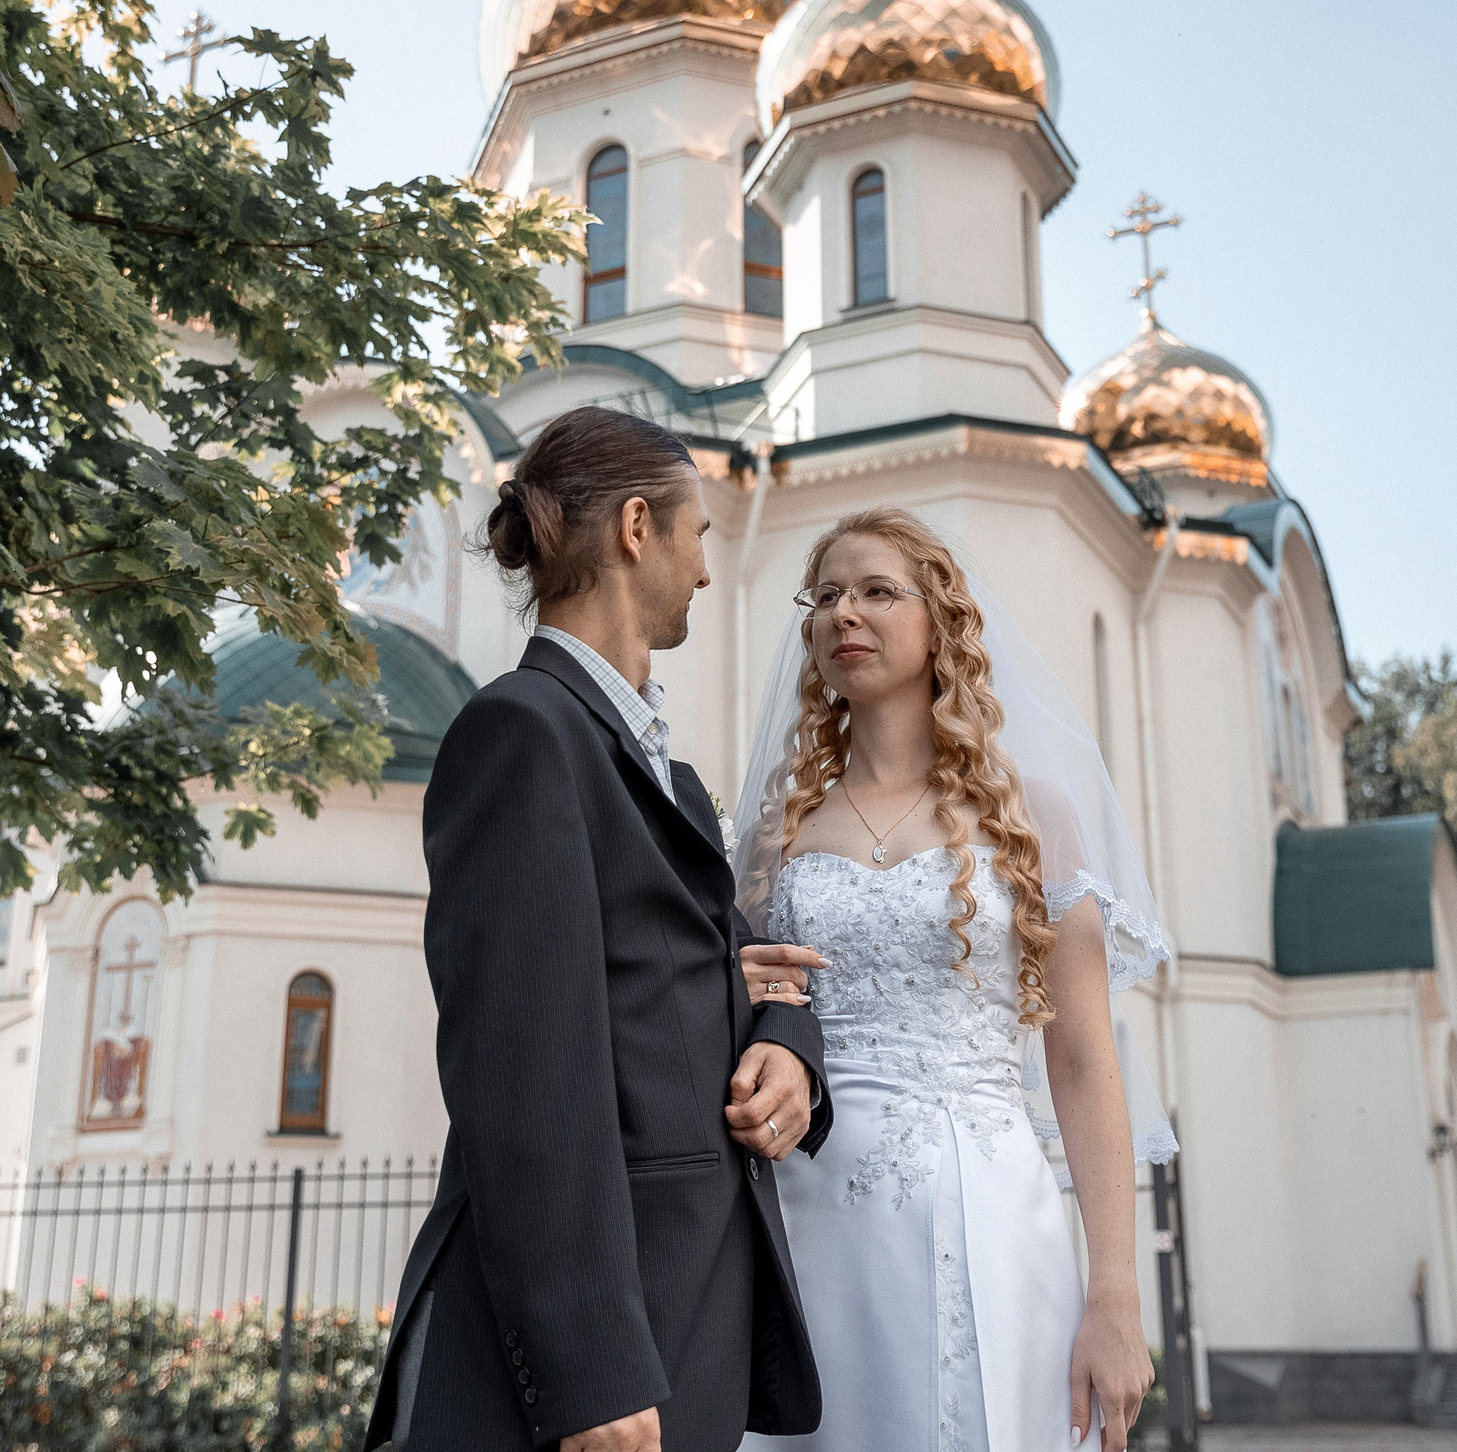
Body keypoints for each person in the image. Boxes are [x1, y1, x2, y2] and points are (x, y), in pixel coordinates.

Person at [365, 408, 830, 1452]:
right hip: (605, 1365)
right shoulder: (523, 731)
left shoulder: (661, 769)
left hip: (687, 1315)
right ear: (636, 527)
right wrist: (588, 1367)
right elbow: (521, 1073)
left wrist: (788, 1046)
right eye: (697, 534)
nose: (708, 571)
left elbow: (726, 959)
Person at [729, 508, 1178, 1452]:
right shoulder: (776, 837)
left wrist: (1116, 1293)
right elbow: (744, 1029)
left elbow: (1086, 1066)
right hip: (814, 1212)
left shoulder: (1033, 819)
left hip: (996, 1211)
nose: (844, 612)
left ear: (941, 624)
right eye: (827, 596)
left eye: (878, 591)